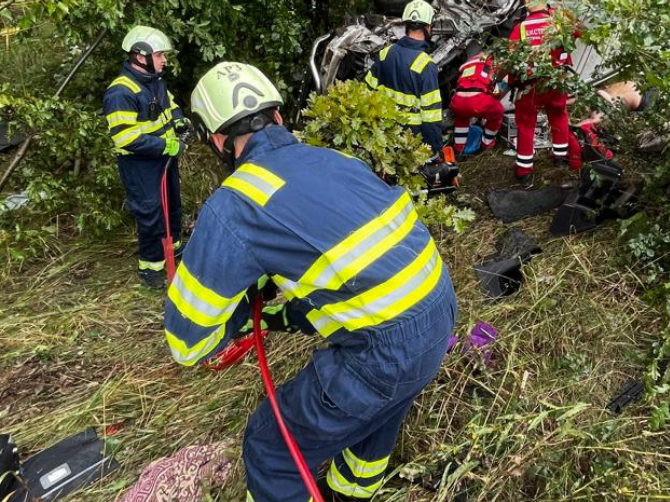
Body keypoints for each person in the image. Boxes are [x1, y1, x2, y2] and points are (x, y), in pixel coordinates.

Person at [166, 62, 456, 502]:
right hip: (438, 314)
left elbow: (188, 344)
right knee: (380, 411)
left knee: (269, 446)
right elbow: (358, 276)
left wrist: (242, 313)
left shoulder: (235, 205)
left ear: (218, 142)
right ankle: (349, 493)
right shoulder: (334, 159)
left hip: (387, 350)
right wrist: (275, 316)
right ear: (280, 117)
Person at [102, 26, 184, 289]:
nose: (164, 60)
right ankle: (151, 268)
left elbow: (171, 106)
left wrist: (181, 124)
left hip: (164, 160)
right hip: (140, 166)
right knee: (151, 214)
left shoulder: (155, 81)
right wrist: (167, 146)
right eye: (160, 55)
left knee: (172, 207)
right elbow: (126, 138)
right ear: (140, 55)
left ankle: (174, 254)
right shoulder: (120, 93)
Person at [508, 0, 580, 184]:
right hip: (557, 80)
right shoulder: (560, 20)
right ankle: (560, 157)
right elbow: (578, 33)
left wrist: (511, 83)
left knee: (526, 123)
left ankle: (524, 172)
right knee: (558, 114)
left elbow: (511, 61)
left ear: (525, 2)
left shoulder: (520, 28)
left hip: (530, 85)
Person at [365, 0, 444, 155]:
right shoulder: (426, 65)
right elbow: (431, 116)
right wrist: (434, 149)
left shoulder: (385, 54)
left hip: (383, 135)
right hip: (410, 142)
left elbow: (366, 92)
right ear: (428, 27)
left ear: (406, 25)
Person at [449, 44, 505, 154]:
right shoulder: (492, 63)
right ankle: (487, 143)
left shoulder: (469, 63)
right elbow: (496, 88)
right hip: (478, 100)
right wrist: (497, 95)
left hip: (458, 100)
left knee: (462, 117)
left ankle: (459, 148)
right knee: (498, 111)